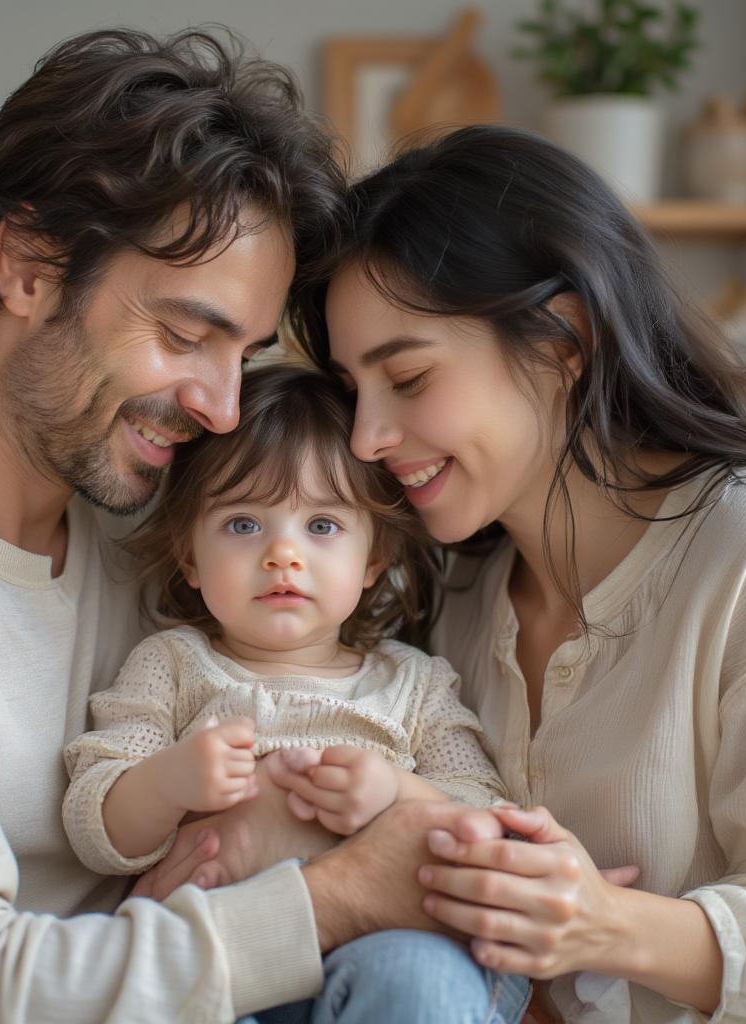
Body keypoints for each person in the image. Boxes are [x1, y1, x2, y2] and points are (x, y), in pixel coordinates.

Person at [0, 29, 512, 1024]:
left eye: (244, 353)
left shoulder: (148, 530)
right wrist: (331, 897)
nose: (221, 408)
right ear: (30, 266)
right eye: (185, 334)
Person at [286, 123, 746, 1022]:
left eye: (407, 379)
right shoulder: (451, 598)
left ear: (563, 340)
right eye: (352, 392)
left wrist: (603, 923)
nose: (367, 437)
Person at [61, 362, 527, 1023]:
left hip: (383, 947)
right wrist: (167, 784)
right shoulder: (170, 665)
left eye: (323, 526)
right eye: (244, 524)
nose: (283, 554)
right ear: (189, 555)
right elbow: (92, 820)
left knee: (421, 980)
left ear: (374, 560)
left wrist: (396, 795)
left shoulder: (414, 683)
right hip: (225, 954)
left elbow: (483, 814)